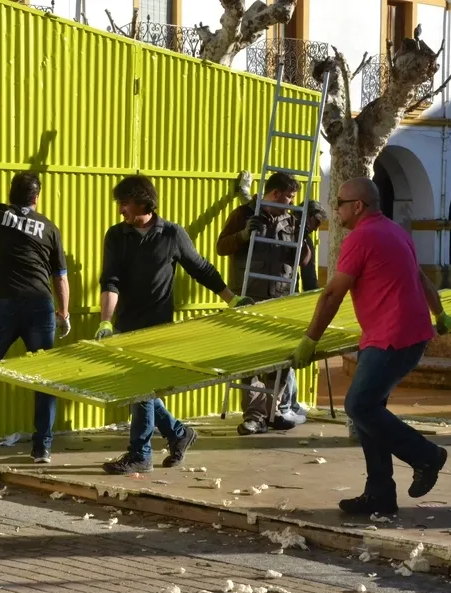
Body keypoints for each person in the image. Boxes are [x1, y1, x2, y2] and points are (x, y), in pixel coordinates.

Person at [289, 176, 451, 515]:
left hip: (392, 338)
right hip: (406, 335)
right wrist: (439, 313)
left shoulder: (361, 238)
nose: (334, 209)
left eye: (339, 203)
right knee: (371, 413)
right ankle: (380, 494)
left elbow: (333, 293)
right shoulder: (396, 231)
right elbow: (422, 278)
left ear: (358, 206)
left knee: (359, 406)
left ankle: (426, 456)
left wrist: (310, 340)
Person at [95, 175, 253, 474]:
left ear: (143, 201)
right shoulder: (116, 235)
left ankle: (140, 454)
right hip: (126, 325)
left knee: (141, 390)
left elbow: (202, 269)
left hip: (159, 329)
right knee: (141, 392)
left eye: (124, 203)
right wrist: (105, 321)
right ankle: (179, 433)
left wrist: (231, 299)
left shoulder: (171, 235)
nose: (120, 210)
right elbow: (110, 280)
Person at [0, 144, 71, 464]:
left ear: (10, 194)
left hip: (4, 306)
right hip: (39, 307)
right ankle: (41, 448)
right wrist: (64, 313)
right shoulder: (49, 228)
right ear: (36, 199)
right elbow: (60, 277)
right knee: (43, 378)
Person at [216, 172, 311, 435]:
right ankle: (254, 415)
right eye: (289, 197)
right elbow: (221, 247)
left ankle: (274, 411)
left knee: (280, 362)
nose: (291, 202)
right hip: (249, 298)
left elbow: (302, 261)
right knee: (251, 363)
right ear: (275, 194)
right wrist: (244, 235)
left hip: (279, 299)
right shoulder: (243, 214)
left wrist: (305, 236)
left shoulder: (291, 220)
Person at [279, 199, 330, 421]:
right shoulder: (296, 233)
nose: (317, 227)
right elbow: (308, 275)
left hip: (292, 298)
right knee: (287, 355)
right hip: (286, 299)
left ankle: (291, 401)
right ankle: (287, 403)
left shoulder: (300, 234)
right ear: (309, 217)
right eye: (317, 222)